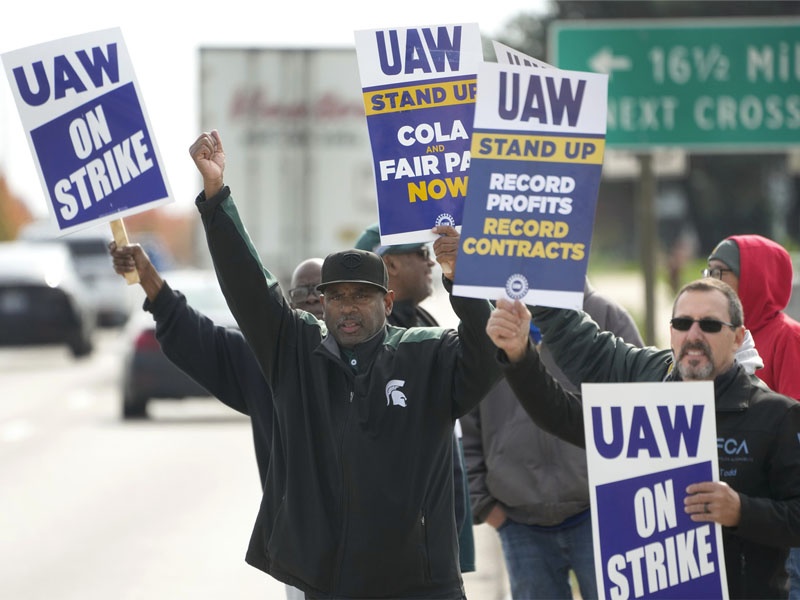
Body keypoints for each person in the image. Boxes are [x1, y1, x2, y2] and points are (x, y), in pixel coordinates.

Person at [189, 129, 501, 599]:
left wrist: (463, 279)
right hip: (329, 584)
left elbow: (487, 356)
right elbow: (251, 288)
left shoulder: (427, 354)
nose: (347, 308)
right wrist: (216, 197)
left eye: (361, 296)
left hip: (422, 585)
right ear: (323, 302)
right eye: (336, 297)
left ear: (388, 301)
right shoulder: (297, 353)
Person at [486, 278, 800, 599]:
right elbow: (560, 415)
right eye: (682, 323)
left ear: (737, 337)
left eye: (709, 325)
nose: (694, 335)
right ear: (671, 331)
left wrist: (741, 511)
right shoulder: (645, 401)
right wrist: (519, 357)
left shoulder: (776, 415)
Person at [108, 241, 322, 600]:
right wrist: (148, 278)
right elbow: (194, 334)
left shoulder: (379, 359)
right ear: (289, 305)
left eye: (323, 289)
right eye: (303, 292)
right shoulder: (264, 364)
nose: (314, 298)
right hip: (306, 555)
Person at [461, 277, 644, 599]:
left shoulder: (605, 314)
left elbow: (641, 406)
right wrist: (485, 504)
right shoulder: (489, 322)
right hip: (518, 520)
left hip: (600, 513)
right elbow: (466, 417)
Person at [354, 222, 476, 573]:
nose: (431, 262)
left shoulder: (422, 320)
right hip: (404, 552)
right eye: (422, 253)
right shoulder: (367, 339)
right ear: (390, 264)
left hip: (438, 538)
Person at [706, 234, 800, 598]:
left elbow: (790, 418)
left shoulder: (787, 336)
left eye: (721, 272)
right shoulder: (720, 334)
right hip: (733, 502)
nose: (711, 280)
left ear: (754, 279)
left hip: (776, 502)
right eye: (707, 270)